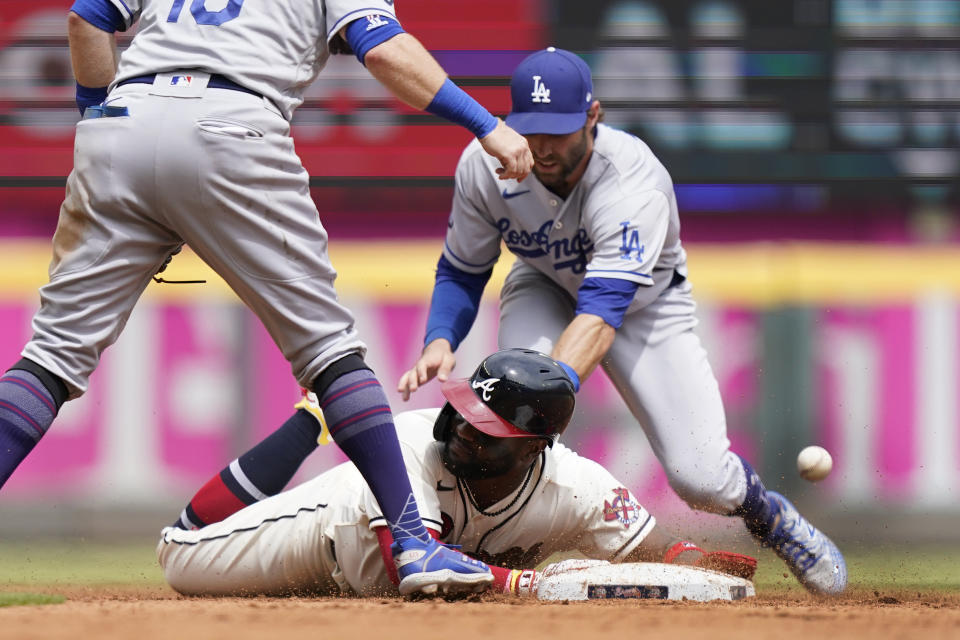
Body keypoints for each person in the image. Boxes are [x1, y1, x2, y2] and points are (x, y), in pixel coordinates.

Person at [0, 0, 535, 597]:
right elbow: (382, 49)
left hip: (122, 122)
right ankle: (413, 544)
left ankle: (414, 542)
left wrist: (97, 116)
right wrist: (488, 124)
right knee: (329, 352)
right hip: (232, 124)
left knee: (50, 358)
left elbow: (86, 21)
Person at [397, 47, 847, 596]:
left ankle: (772, 517)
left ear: (593, 117)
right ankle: (480, 551)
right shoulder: (484, 164)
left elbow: (603, 312)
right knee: (511, 430)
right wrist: (440, 338)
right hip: (541, 285)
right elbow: (463, 269)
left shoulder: (633, 178)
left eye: (558, 131)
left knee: (700, 477)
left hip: (644, 309)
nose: (541, 148)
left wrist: (540, 397)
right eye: (530, 130)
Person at [158, 349, 756, 598]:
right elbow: (416, 571)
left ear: (535, 447)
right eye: (467, 413)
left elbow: (664, 551)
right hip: (323, 532)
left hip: (350, 583)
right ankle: (311, 420)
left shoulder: (578, 486)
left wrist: (723, 574)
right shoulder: (410, 443)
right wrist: (527, 586)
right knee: (179, 554)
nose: (464, 430)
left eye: (487, 428)